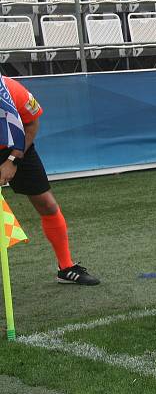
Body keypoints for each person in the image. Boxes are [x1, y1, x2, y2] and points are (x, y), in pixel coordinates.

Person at [0, 75, 99, 285]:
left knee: (48, 205)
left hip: (14, 146)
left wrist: (12, 161)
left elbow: (31, 125)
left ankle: (66, 267)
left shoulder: (13, 91)